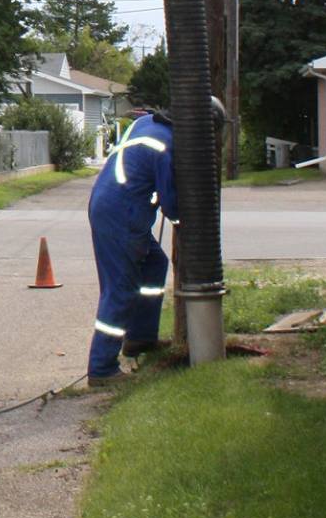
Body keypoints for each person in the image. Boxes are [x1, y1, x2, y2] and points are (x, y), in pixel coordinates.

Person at [86, 98, 226, 383]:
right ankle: (102, 368)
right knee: (121, 288)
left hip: (108, 204)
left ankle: (140, 338)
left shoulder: (145, 123)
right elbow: (172, 205)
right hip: (122, 215)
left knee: (154, 264)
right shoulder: (167, 147)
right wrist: (189, 224)